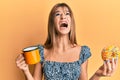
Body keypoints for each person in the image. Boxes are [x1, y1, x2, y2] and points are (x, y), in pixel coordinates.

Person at [16, 3, 118, 80]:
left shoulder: (82, 52)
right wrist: (25, 71)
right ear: (52, 23)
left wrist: (98, 74)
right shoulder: (41, 52)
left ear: (71, 22)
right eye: (58, 14)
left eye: (67, 14)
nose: (63, 17)